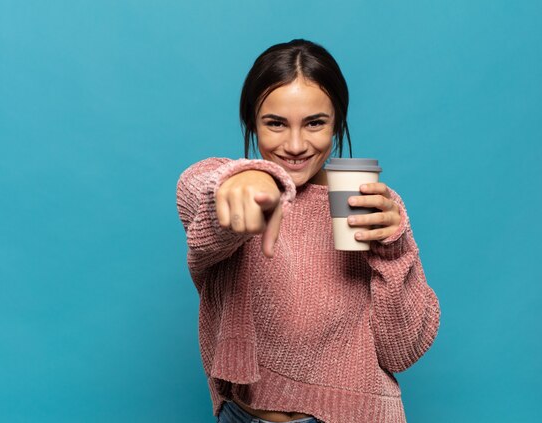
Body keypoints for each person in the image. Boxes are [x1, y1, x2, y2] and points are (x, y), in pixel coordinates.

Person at [176, 39, 440, 423]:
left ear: (337, 124)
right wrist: (251, 183)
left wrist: (393, 249)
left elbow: (403, 350)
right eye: (275, 124)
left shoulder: (371, 204)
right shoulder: (233, 189)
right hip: (241, 415)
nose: (296, 145)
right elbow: (196, 189)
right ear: (252, 122)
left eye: (315, 123)